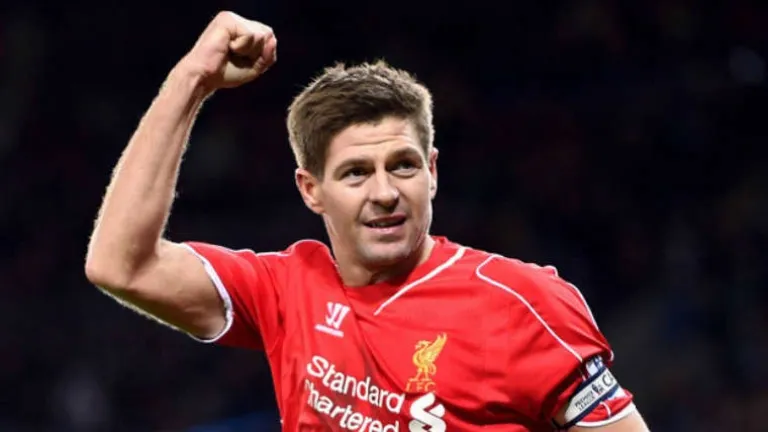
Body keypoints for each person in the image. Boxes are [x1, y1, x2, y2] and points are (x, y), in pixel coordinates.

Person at [85, 11, 649, 432]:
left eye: (402, 165)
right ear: (311, 190)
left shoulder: (523, 303)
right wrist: (191, 80)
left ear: (431, 172)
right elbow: (120, 265)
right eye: (355, 173)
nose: (385, 193)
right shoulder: (286, 291)